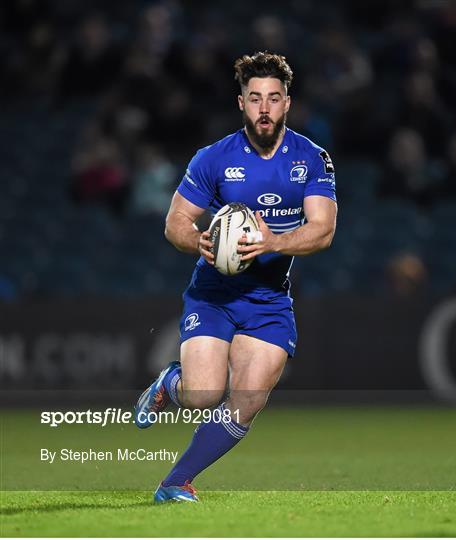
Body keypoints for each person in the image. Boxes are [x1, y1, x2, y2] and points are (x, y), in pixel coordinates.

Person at [134, 51, 338, 503]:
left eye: (273, 98)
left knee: (248, 399)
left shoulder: (311, 157)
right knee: (203, 395)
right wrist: (197, 241)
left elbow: (323, 230)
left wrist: (272, 243)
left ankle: (174, 482)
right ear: (240, 103)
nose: (264, 108)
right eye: (254, 98)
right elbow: (175, 222)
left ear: (288, 103)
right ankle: (171, 382)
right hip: (214, 293)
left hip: (268, 300)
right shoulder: (213, 158)